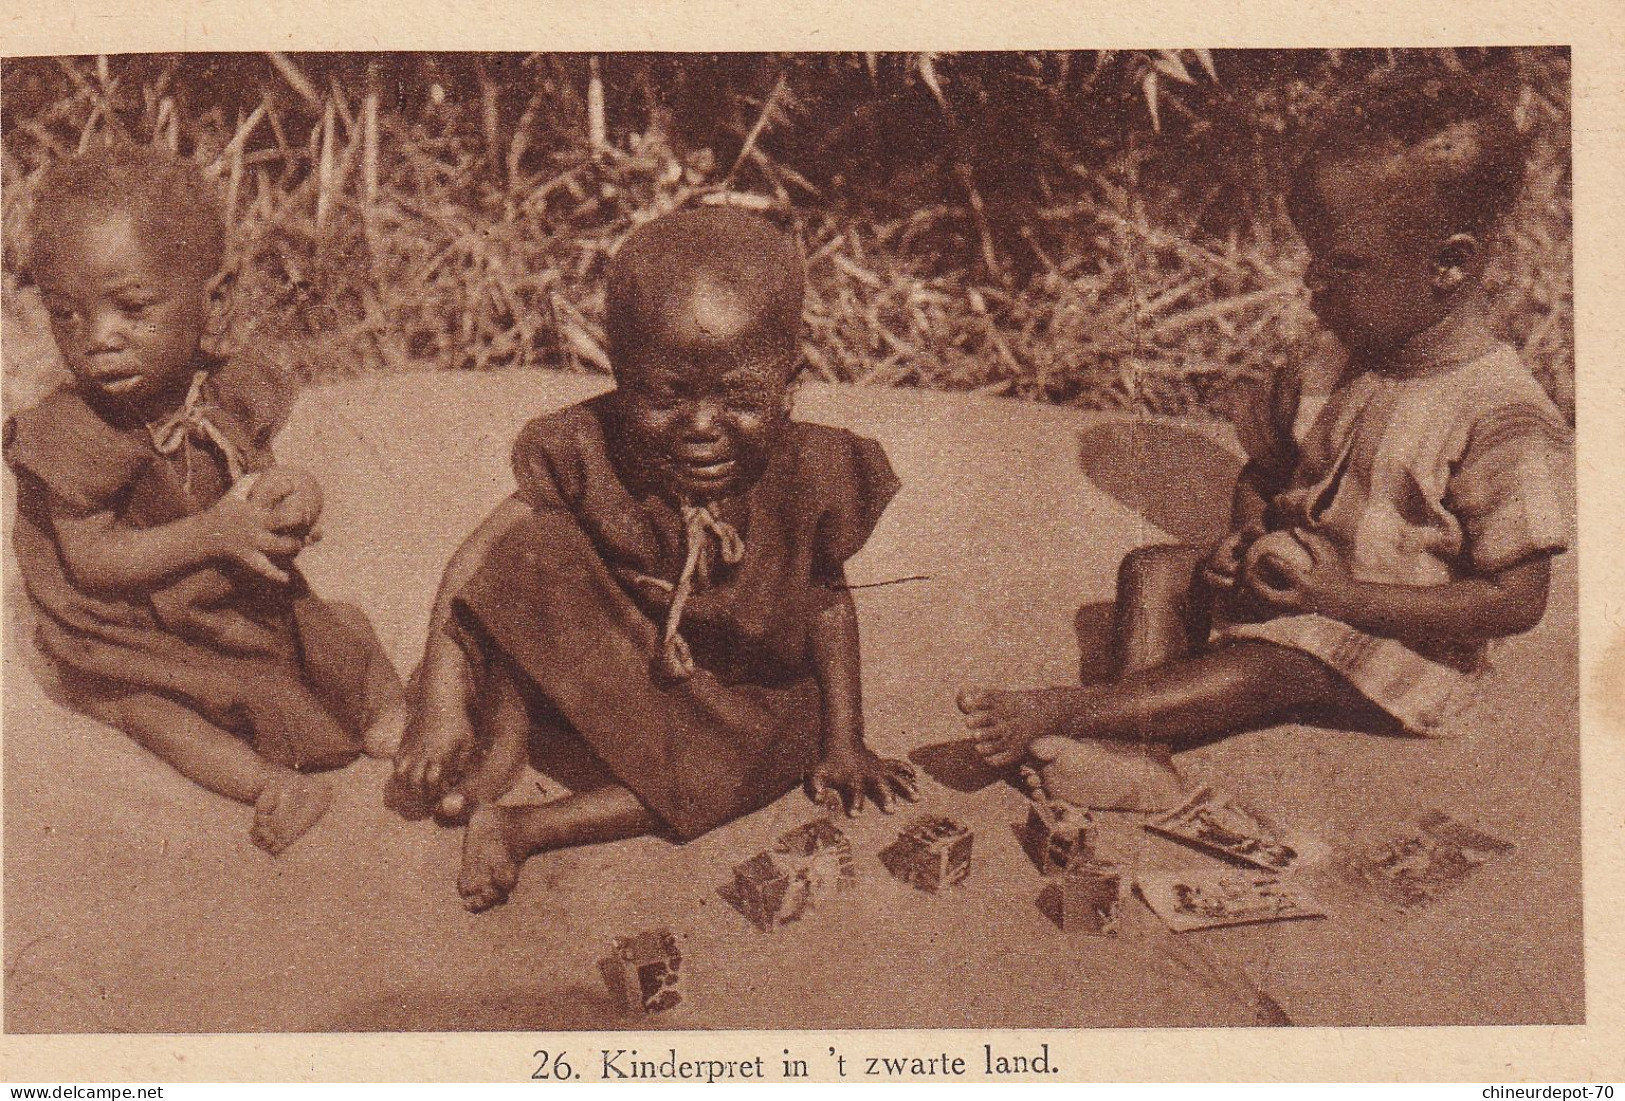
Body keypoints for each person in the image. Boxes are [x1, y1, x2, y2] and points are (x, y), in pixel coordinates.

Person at [958, 74, 1571, 810]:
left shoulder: (1500, 415)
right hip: (1295, 583)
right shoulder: (1328, 356)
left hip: (1399, 640)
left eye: (1342, 263)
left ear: (1448, 264)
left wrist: (1343, 596)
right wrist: (1242, 537)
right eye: (1311, 255)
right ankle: (1138, 756)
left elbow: (1514, 600)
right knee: (1153, 569)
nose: (1311, 281)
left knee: (1280, 659)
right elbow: (1263, 469)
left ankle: (1070, 712)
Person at [395, 207, 918, 910]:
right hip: (613, 652)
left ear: (790, 383)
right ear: (621, 376)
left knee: (774, 746)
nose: (701, 427)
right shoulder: (585, 445)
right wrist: (437, 707)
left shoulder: (814, 473)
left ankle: (523, 827)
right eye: (665, 394)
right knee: (531, 552)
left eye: (738, 397)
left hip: (728, 686)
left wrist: (845, 742)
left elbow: (827, 603)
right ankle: (501, 749)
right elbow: (476, 563)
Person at [4, 143, 406, 854]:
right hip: (126, 627)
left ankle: (390, 712)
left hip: (217, 595)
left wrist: (292, 496)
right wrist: (215, 536)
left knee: (334, 633)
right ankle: (267, 782)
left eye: (131, 308)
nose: (98, 339)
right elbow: (92, 560)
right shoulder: (74, 431)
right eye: (67, 315)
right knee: (147, 711)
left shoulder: (227, 387)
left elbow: (257, 472)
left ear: (210, 301)